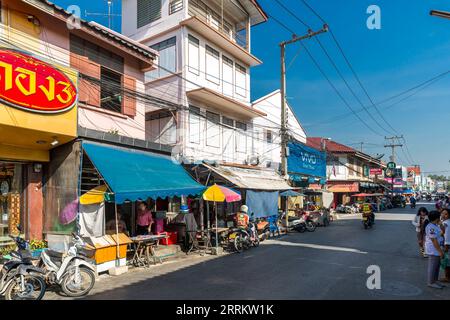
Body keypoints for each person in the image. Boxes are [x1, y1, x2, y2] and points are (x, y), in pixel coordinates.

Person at [424, 210, 445, 289]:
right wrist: (440, 252)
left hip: (437, 248)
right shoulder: (430, 227)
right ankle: (430, 282)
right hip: (433, 249)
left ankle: (435, 280)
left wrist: (441, 224)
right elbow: (434, 240)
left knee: (437, 266)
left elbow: (443, 232)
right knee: (432, 266)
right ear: (437, 218)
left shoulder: (436, 225)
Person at [440, 209, 450, 282]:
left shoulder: (446, 223)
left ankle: (447, 277)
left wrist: (446, 246)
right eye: (442, 213)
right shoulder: (445, 222)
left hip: (447, 245)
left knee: (446, 261)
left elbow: (447, 236)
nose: (443, 215)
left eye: (446, 214)